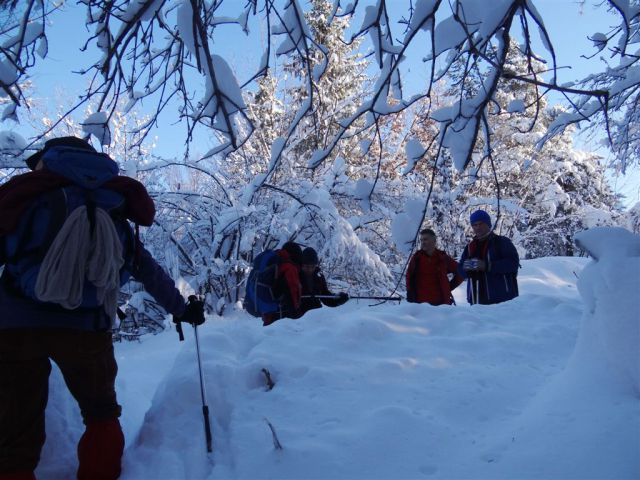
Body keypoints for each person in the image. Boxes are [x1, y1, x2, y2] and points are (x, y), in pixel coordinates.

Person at [0, 136, 204, 480]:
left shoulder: (27, 196)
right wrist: (181, 308)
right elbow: (145, 268)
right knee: (101, 414)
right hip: (87, 327)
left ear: (46, 160)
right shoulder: (112, 204)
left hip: (17, 326)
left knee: (15, 425)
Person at [458, 209, 519, 305]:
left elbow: (513, 264)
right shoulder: (470, 247)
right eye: (474, 225)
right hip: (476, 301)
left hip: (503, 302)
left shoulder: (501, 242)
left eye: (481, 224)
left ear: (488, 224)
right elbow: (460, 270)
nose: (478, 227)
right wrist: (466, 268)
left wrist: (487, 266)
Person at [406, 228, 463, 305]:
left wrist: (448, 288)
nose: (423, 242)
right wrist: (410, 294)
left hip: (442, 305)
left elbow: (461, 271)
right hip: (421, 306)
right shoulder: (417, 258)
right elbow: (409, 277)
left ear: (434, 240)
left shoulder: (442, 258)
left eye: (425, 239)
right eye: (421, 240)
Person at [262, 241, 303, 327]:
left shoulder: (275, 260)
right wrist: (299, 315)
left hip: (268, 314)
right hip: (280, 318)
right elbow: (293, 296)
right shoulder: (289, 268)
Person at [297, 247, 349, 315]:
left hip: (315, 314)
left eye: (312, 266)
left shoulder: (319, 276)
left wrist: (338, 300)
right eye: (306, 266)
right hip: (297, 317)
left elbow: (325, 296)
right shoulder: (295, 276)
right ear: (301, 265)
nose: (309, 269)